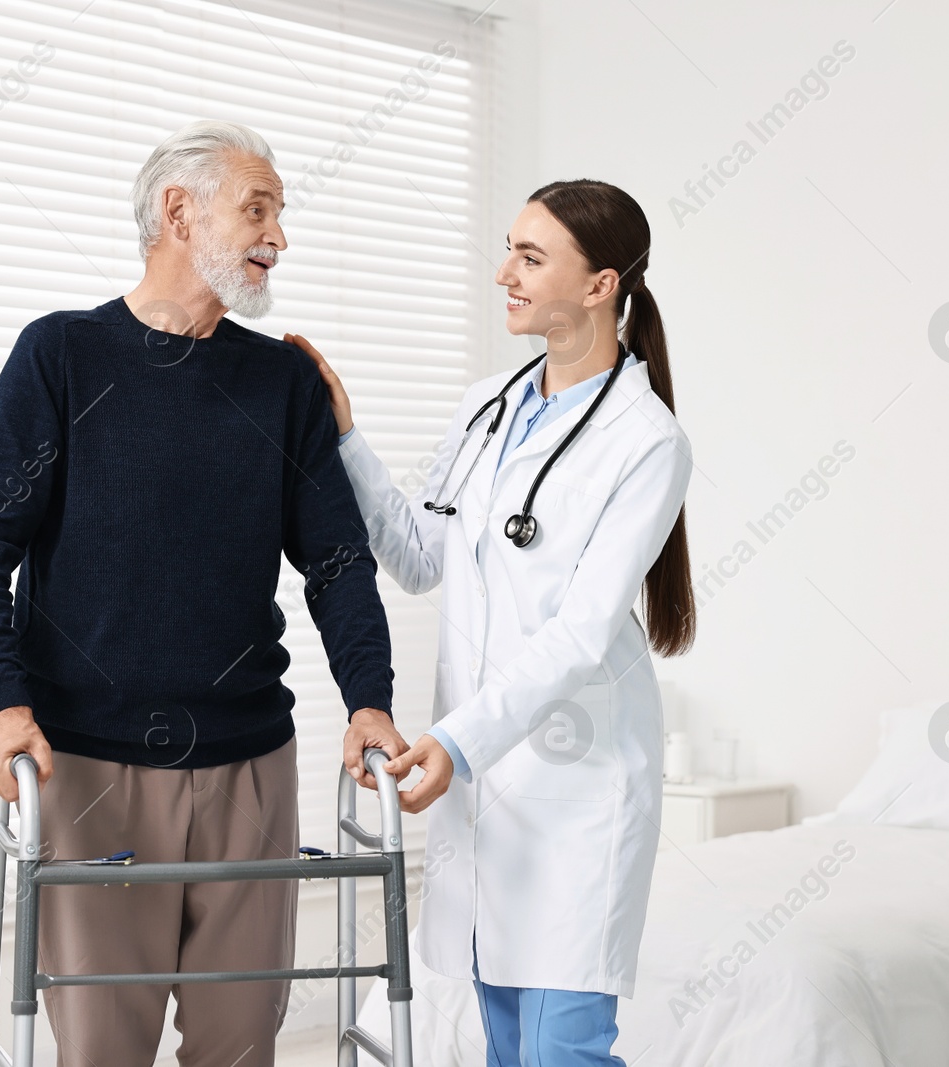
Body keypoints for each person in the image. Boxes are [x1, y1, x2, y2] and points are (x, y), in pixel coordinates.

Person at [0, 119, 408, 1067]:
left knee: (241, 1045)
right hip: (88, 766)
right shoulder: (62, 356)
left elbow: (339, 562)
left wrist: (370, 698)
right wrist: (2, 702)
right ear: (178, 211)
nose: (280, 236)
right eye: (259, 208)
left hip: (249, 764)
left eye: (281, 213)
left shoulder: (281, 382)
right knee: (102, 1048)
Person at [290, 179, 695, 1067]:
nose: (502, 272)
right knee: (509, 1043)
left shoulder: (646, 440)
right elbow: (419, 554)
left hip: (576, 782)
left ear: (600, 285)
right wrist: (345, 437)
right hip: (484, 785)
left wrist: (457, 740)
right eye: (509, 248)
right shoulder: (490, 405)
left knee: (563, 1050)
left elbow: (581, 633)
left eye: (530, 256)